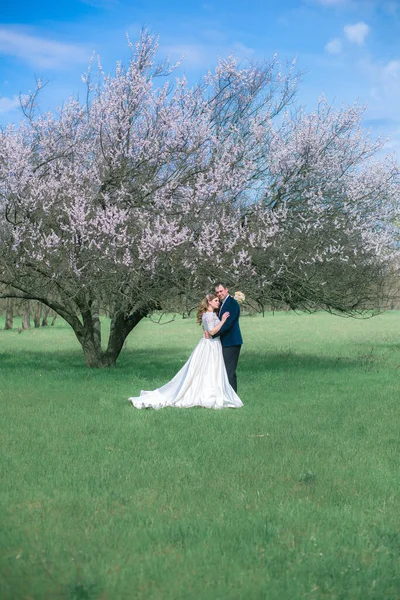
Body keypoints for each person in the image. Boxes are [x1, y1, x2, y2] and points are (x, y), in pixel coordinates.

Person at [128, 293, 243, 410]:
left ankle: (211, 393)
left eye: (218, 301)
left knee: (211, 370)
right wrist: (223, 320)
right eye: (216, 301)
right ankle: (206, 395)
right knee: (207, 369)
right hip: (210, 346)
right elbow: (212, 332)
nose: (218, 302)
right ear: (209, 302)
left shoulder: (211, 314)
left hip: (214, 345)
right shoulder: (208, 315)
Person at [211, 282, 243, 393]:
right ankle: (225, 395)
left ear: (226, 289)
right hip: (223, 341)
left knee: (229, 371)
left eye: (221, 291)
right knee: (223, 370)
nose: (219, 294)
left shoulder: (233, 303)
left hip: (232, 342)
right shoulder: (221, 304)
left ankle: (233, 397)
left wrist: (213, 334)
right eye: (217, 292)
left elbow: (228, 324)